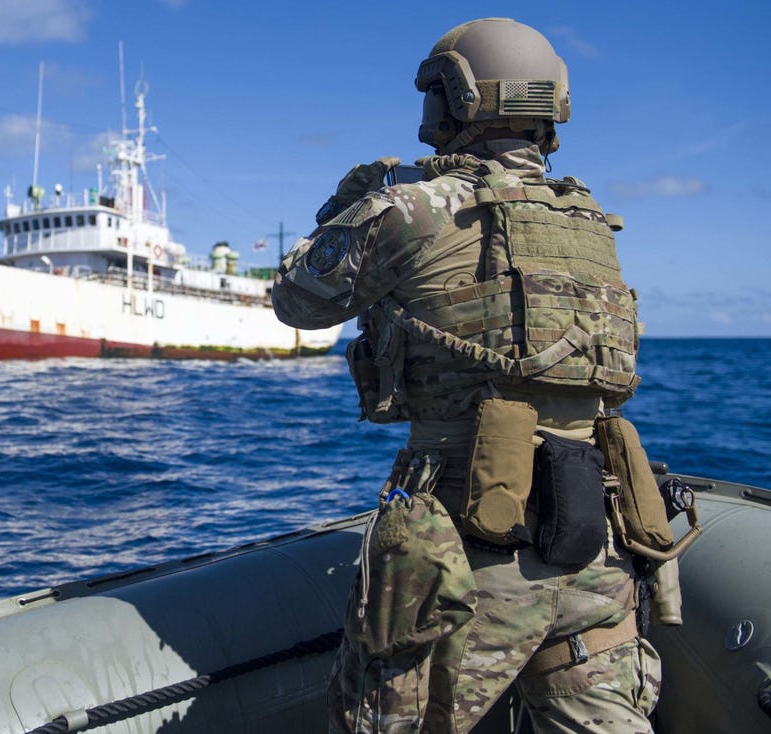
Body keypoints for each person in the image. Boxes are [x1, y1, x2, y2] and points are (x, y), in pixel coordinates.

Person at [272, 17, 664, 734]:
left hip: (464, 535)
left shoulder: (408, 208)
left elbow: (295, 301)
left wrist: (344, 207)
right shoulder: (590, 224)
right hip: (597, 537)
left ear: (456, 100)